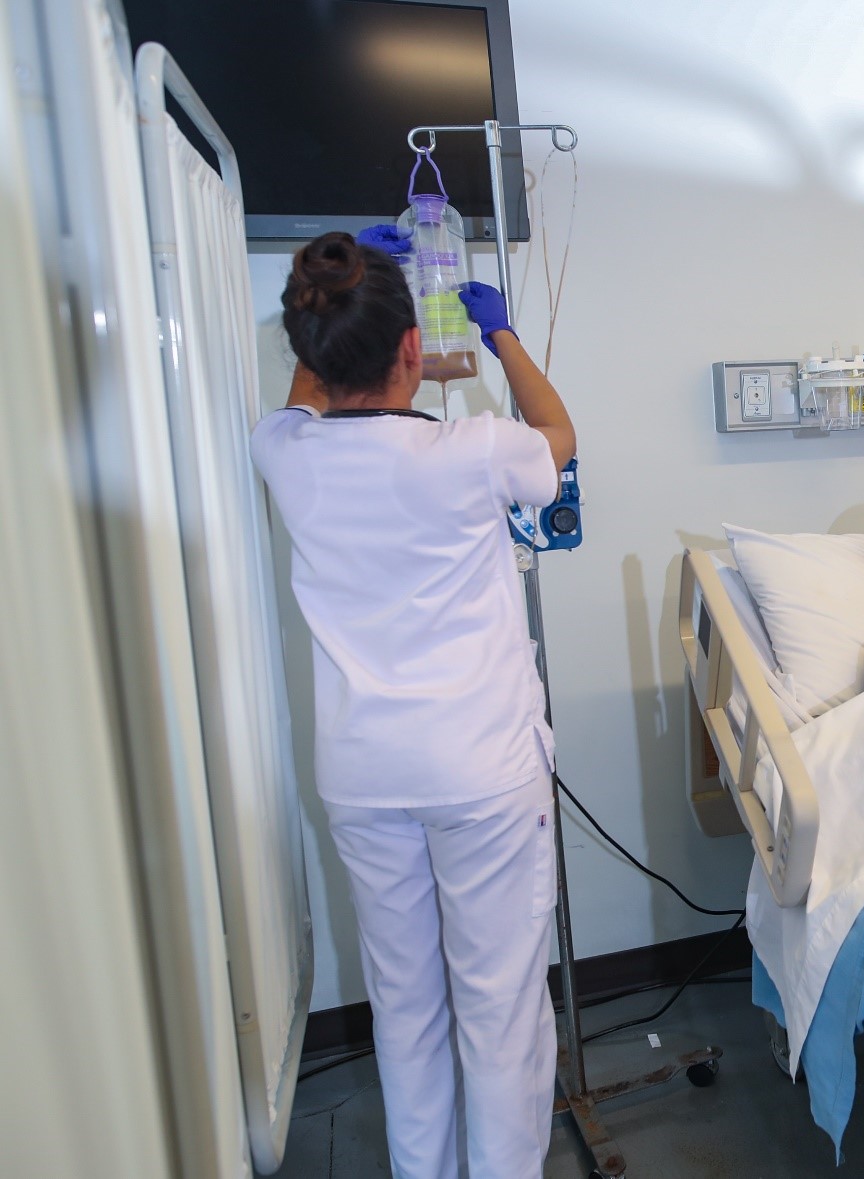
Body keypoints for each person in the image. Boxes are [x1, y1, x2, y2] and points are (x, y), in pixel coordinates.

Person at [250, 226, 575, 1179]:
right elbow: (559, 437)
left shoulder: (284, 452)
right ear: (410, 351)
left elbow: (309, 393)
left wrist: (346, 288)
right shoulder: (472, 450)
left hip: (362, 777)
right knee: (501, 1006)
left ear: (307, 355)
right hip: (479, 771)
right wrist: (502, 336)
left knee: (405, 1005)